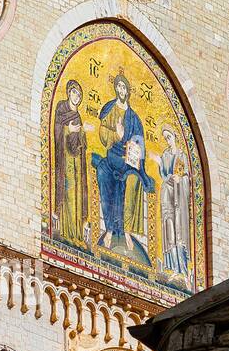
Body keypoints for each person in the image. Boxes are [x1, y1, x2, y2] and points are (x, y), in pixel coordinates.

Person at [92, 72, 154, 254]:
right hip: (112, 157)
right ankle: (109, 228)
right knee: (103, 173)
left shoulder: (133, 118)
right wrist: (116, 135)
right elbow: (103, 133)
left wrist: (134, 148)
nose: (121, 89)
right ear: (115, 88)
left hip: (128, 162)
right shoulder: (111, 109)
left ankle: (127, 230)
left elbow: (140, 142)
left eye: (124, 87)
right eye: (118, 86)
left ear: (127, 91)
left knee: (134, 181)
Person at [52, 80, 89, 244]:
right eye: (74, 93)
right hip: (65, 158)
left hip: (76, 160)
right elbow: (57, 128)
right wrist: (69, 129)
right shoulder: (61, 107)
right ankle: (66, 231)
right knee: (68, 192)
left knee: (77, 192)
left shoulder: (78, 115)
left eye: (79, 95)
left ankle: (77, 234)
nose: (77, 97)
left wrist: (82, 132)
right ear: (68, 93)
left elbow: (81, 141)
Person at [158, 124, 191, 279]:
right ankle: (173, 268)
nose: (167, 140)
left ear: (175, 137)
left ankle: (183, 269)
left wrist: (180, 179)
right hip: (168, 194)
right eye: (165, 138)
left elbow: (186, 176)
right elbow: (163, 174)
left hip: (179, 196)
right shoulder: (165, 155)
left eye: (169, 137)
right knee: (169, 228)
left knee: (179, 231)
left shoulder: (182, 155)